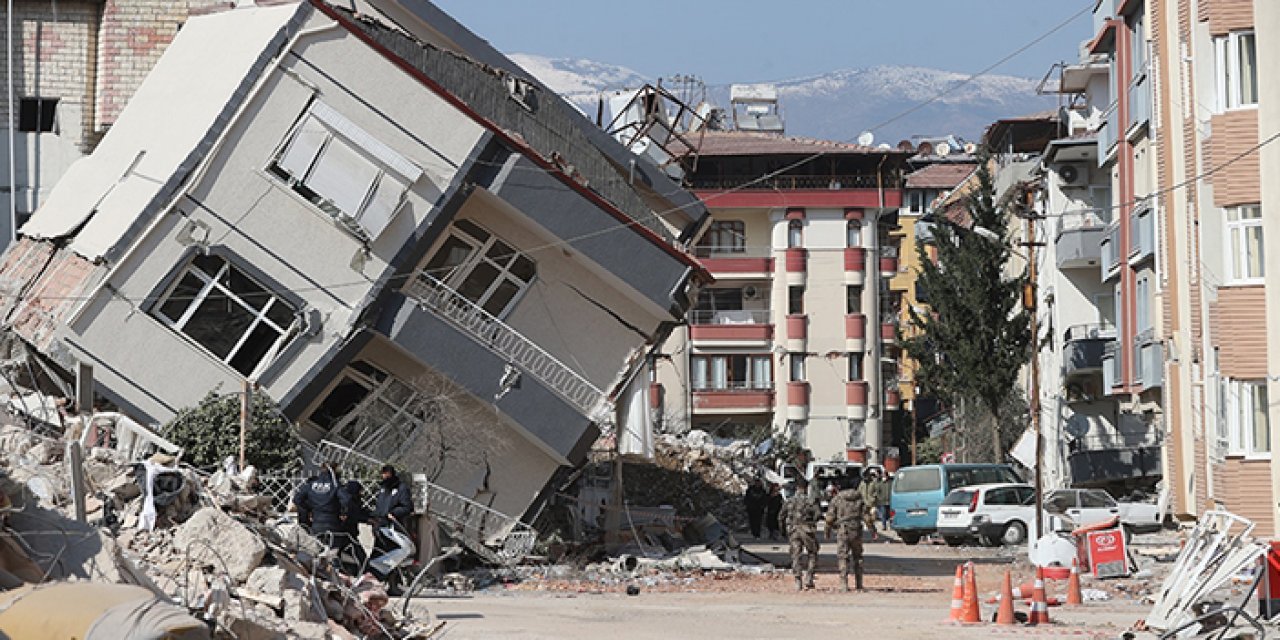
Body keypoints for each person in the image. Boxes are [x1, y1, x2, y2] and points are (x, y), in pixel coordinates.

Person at [293, 464, 349, 550]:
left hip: (316, 523)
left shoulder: (311, 484)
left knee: (316, 551)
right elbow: (346, 499)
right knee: (333, 553)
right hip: (333, 523)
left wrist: (308, 509)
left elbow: (297, 499)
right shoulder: (335, 485)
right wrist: (343, 512)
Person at [780, 478, 821, 590]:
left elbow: (781, 517)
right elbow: (818, 514)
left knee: (796, 555)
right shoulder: (810, 501)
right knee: (812, 553)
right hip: (807, 529)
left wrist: (783, 531)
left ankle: (798, 580)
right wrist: (812, 521)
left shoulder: (789, 501)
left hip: (793, 530)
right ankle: (809, 576)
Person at [826, 483, 867, 592]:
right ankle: (859, 584)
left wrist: (827, 531)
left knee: (843, 556)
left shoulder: (837, 499)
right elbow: (867, 516)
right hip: (857, 530)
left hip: (843, 531)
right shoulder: (859, 498)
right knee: (858, 556)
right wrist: (873, 530)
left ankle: (844, 584)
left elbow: (829, 519)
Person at [373, 464, 414, 556]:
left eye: (387, 474)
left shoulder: (401, 488)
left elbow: (407, 507)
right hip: (381, 526)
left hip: (394, 528)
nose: (384, 476)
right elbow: (379, 506)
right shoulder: (383, 488)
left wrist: (393, 513)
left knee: (393, 553)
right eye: (383, 474)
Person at [336, 480, 369, 575]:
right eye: (359, 491)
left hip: (349, 534)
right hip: (346, 535)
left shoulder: (352, 501)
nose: (361, 494)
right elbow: (354, 515)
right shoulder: (348, 502)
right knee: (360, 557)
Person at [858, 470, 881, 541]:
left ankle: (874, 532)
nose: (865, 478)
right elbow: (858, 492)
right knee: (867, 520)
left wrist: (874, 498)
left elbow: (878, 492)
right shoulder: (862, 484)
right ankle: (873, 534)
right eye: (864, 477)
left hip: (872, 504)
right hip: (864, 504)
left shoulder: (873, 483)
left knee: (873, 519)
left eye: (866, 477)